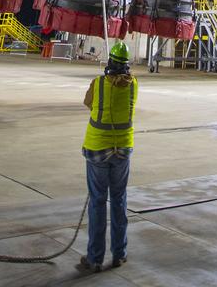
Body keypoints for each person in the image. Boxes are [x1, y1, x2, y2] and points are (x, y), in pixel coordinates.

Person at [78, 39, 138, 275]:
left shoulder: (98, 83)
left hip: (97, 150)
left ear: (110, 62)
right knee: (119, 199)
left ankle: (94, 258)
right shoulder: (135, 85)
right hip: (123, 150)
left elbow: (88, 104)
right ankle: (120, 254)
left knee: (97, 202)